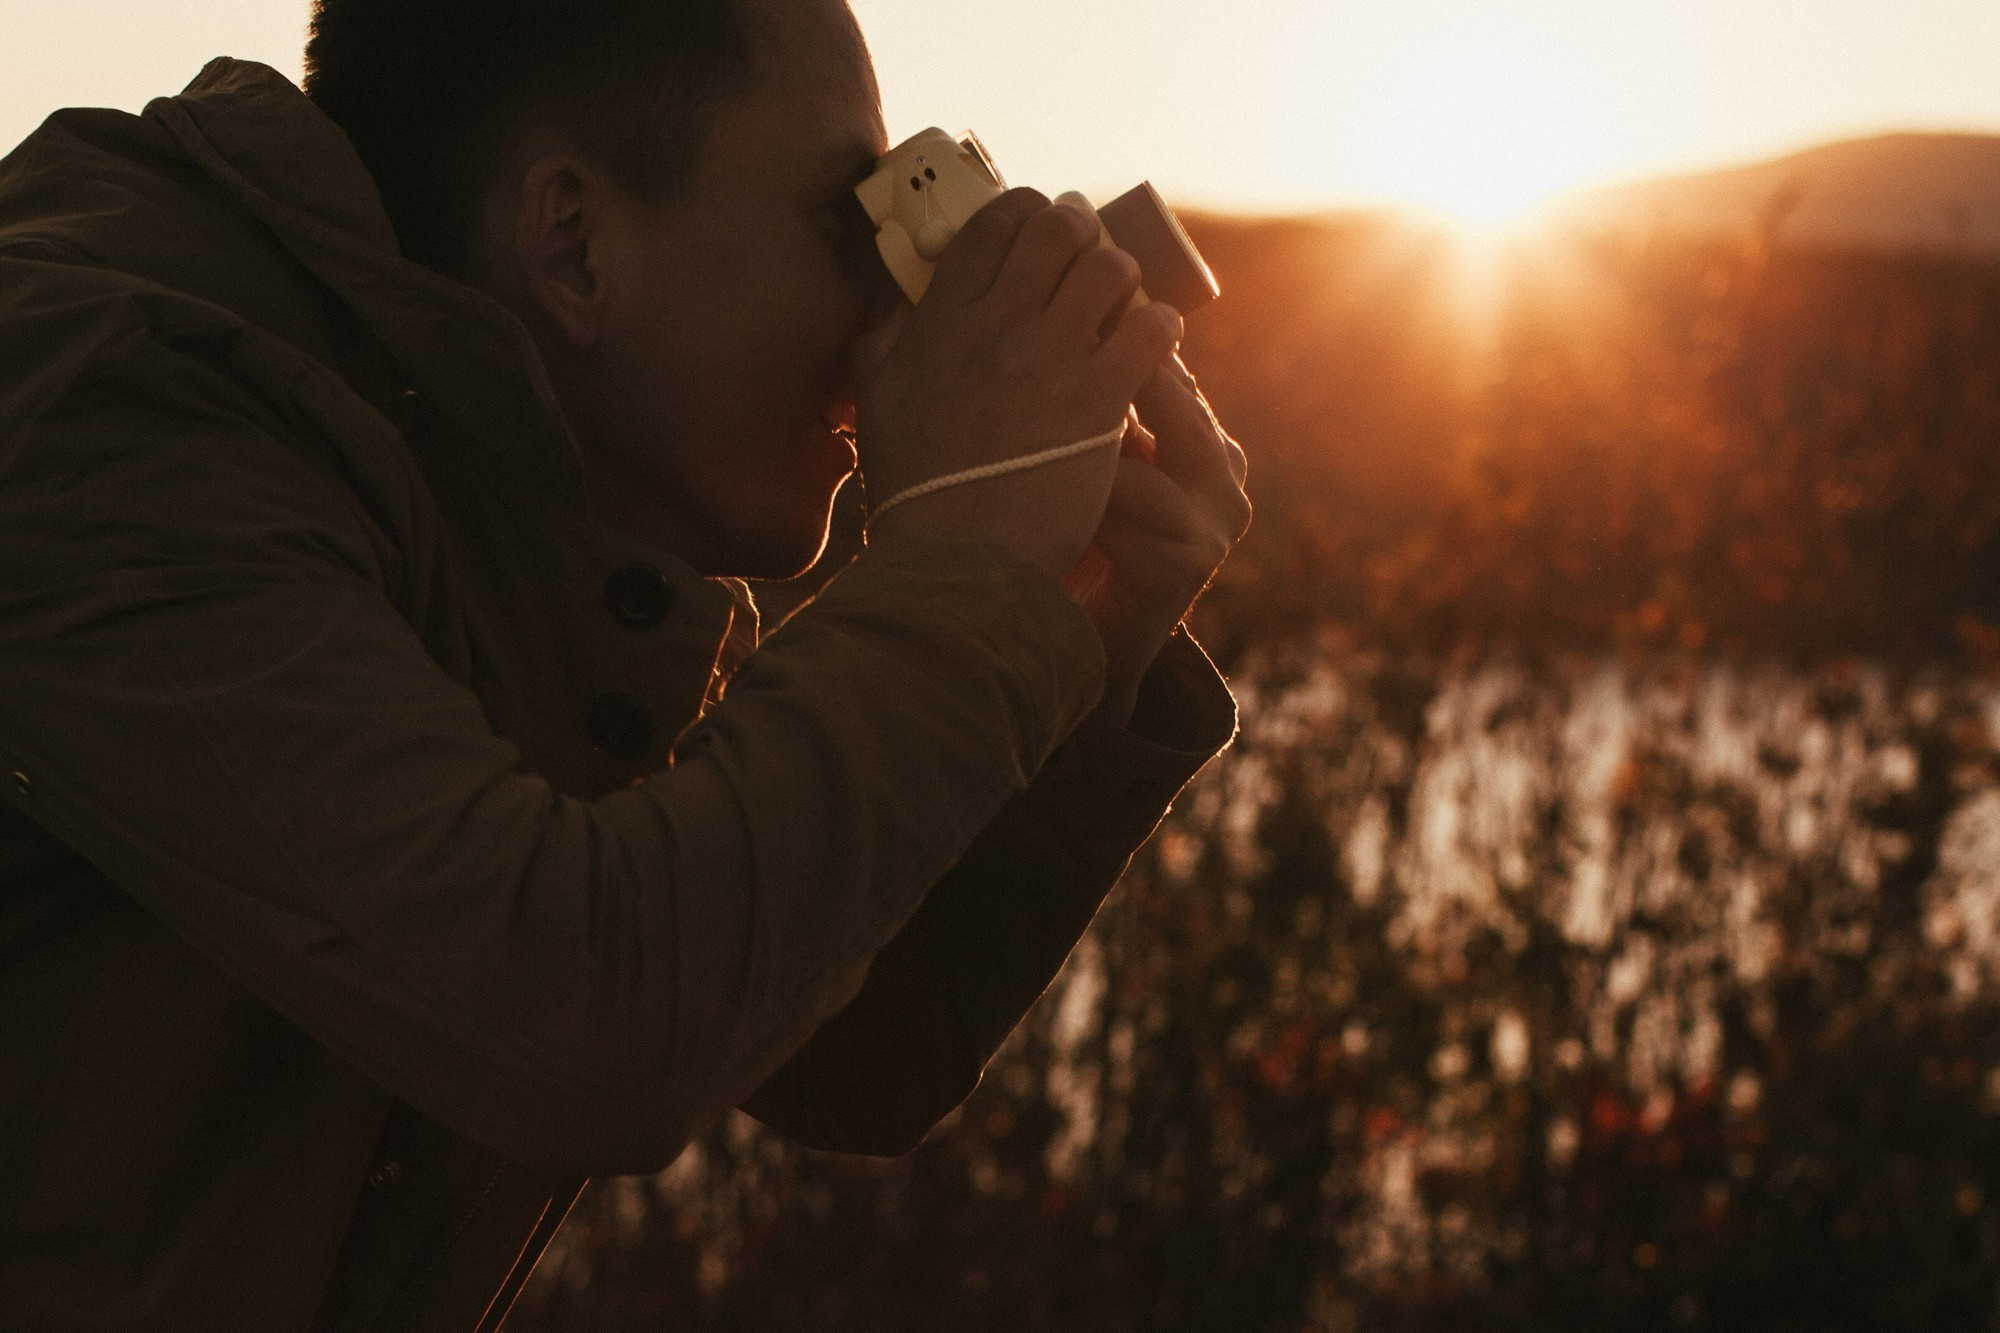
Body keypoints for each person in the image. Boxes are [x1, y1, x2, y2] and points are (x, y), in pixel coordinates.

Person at [0, 0, 1250, 1325]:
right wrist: (969, 574)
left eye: (908, 211)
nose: (893, 308)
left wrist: (1079, 625)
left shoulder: (474, 452)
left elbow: (846, 1047)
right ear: (573, 243)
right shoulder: (109, 412)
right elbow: (574, 1017)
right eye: (853, 223)